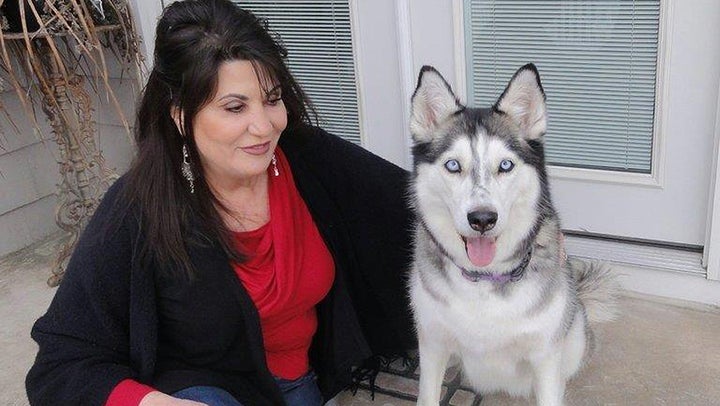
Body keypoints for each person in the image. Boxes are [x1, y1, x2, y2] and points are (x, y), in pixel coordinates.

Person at [25, 0, 416, 404]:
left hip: (300, 382)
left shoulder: (307, 160)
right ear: (180, 116)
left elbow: (413, 206)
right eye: (235, 107)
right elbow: (61, 359)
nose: (264, 127)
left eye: (271, 98)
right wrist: (150, 403)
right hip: (201, 390)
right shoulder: (140, 206)